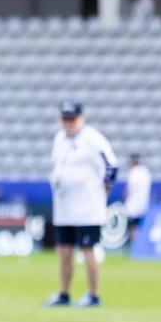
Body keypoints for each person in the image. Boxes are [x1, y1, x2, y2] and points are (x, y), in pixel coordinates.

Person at [46, 101, 117, 308]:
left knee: (87, 249)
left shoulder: (92, 138)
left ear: (81, 118)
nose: (68, 123)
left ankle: (93, 294)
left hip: (87, 207)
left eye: (72, 119)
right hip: (64, 207)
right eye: (65, 119)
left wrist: (103, 192)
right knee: (64, 251)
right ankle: (64, 292)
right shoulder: (59, 139)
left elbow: (111, 165)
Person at [123, 154, 151, 245]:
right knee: (139, 225)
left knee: (132, 225)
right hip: (143, 203)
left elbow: (129, 189)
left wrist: (124, 198)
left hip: (133, 204)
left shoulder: (134, 172)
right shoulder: (146, 171)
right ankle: (138, 242)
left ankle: (134, 243)